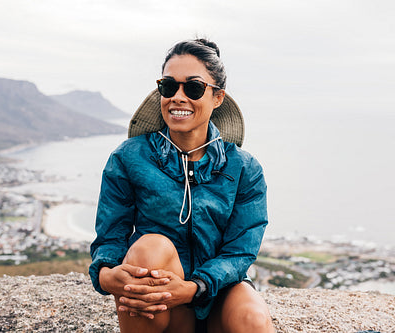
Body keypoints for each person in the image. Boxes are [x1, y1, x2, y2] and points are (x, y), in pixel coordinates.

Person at [89, 38, 274, 333]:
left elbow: (240, 251)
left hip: (217, 293)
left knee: (252, 317)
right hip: (159, 298)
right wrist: (106, 274)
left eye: (193, 87)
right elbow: (110, 238)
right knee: (151, 246)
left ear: (217, 97)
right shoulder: (128, 158)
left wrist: (193, 287)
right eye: (168, 86)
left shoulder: (243, 168)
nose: (178, 96)